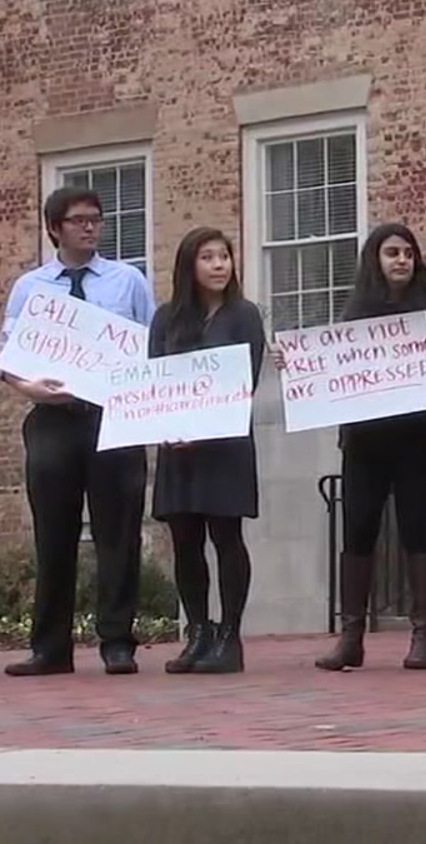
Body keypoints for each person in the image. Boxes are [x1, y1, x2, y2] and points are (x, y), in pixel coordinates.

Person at [0, 186, 156, 677]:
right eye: (78, 220)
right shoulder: (31, 288)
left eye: (96, 219)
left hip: (113, 418)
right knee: (53, 533)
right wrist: (32, 389)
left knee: (119, 532)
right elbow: (7, 359)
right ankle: (50, 647)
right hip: (52, 420)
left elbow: (152, 346)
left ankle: (117, 641)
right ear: (54, 229)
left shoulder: (127, 281)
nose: (89, 227)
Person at [304, 222, 426, 672]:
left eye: (408, 253)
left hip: (423, 440)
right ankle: (352, 637)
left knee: (419, 531)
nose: (401, 260)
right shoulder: (356, 314)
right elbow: (329, 371)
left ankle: (423, 636)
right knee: (358, 532)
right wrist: (295, 362)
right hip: (367, 442)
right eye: (392, 252)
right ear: (375, 260)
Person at [151, 227, 267, 675]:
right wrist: (169, 427)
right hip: (178, 448)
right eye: (208, 257)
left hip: (225, 445)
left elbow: (246, 380)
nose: (219, 265)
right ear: (189, 266)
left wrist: (204, 427)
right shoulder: (166, 319)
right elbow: (155, 379)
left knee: (226, 536)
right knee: (185, 541)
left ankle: (230, 636)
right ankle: (198, 630)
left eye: (224, 256)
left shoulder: (244, 316)